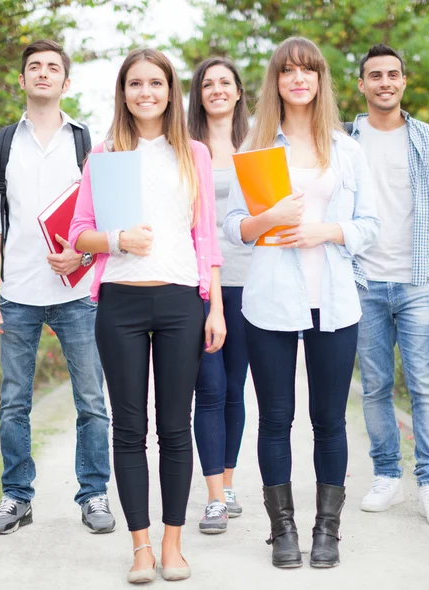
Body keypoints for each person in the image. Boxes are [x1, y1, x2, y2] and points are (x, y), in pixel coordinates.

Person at [69, 48, 225, 584]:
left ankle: (173, 544)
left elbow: (207, 240)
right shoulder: (105, 156)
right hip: (121, 302)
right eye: (135, 83)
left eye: (155, 83)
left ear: (169, 90)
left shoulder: (194, 154)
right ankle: (139, 548)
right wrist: (118, 240)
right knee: (129, 427)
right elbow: (79, 234)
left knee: (175, 426)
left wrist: (216, 308)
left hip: (184, 300)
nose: (145, 92)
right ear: (124, 92)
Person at [223, 37, 379, 569]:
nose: (298, 79)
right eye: (287, 71)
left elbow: (371, 226)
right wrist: (268, 220)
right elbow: (232, 227)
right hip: (269, 301)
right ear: (276, 81)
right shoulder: (254, 148)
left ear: (319, 80)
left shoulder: (348, 149)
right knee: (275, 419)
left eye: (307, 70)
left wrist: (326, 230)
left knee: (329, 420)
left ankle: (327, 531)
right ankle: (282, 530)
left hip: (333, 302)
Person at [0, 39, 114, 535]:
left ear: (65, 82)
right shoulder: (0, 145)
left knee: (92, 401)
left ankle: (94, 494)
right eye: (33, 67)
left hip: (77, 294)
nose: (42, 73)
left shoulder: (87, 142)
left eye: (52, 67)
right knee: (14, 402)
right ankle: (16, 497)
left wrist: (83, 254)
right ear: (21, 80)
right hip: (17, 294)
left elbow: (105, 217)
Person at [351, 44, 429, 526]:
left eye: (392, 74)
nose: (384, 82)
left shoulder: (428, 139)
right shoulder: (344, 138)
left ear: (404, 81)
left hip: (419, 281)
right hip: (361, 280)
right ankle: (386, 477)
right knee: (375, 386)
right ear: (361, 85)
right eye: (374, 75)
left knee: (426, 386)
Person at [187, 57, 250, 534]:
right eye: (208, 83)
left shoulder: (258, 144)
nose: (217, 89)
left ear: (238, 90)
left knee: (235, 387)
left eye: (225, 82)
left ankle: (227, 483)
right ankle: (211, 496)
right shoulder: (183, 147)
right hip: (198, 283)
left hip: (249, 282)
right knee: (209, 387)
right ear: (198, 93)